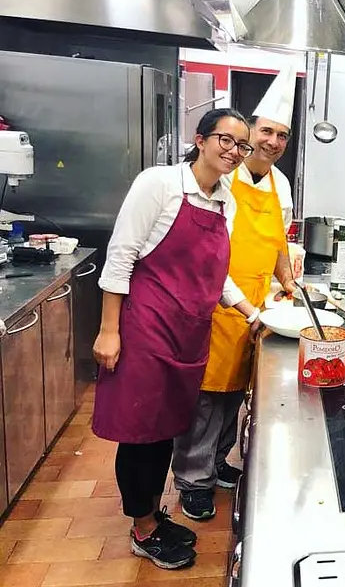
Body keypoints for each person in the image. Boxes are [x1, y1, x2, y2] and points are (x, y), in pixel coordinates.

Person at [92, 108, 263, 569]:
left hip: (189, 332)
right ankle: (142, 529)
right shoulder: (160, 183)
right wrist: (110, 330)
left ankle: (152, 514)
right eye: (225, 140)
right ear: (201, 139)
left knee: (166, 429)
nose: (233, 151)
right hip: (146, 328)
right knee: (140, 433)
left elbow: (216, 271)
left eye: (241, 146)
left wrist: (251, 312)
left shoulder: (224, 197)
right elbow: (121, 255)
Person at [172, 64, 299, 520]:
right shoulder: (224, 177)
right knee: (206, 397)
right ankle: (192, 480)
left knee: (235, 395)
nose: (273, 142)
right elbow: (205, 250)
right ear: (250, 133)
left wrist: (288, 282)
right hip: (217, 303)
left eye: (282, 135)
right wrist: (241, 302)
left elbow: (278, 241)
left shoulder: (280, 184)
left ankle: (217, 462)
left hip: (257, 305)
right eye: (266, 131)